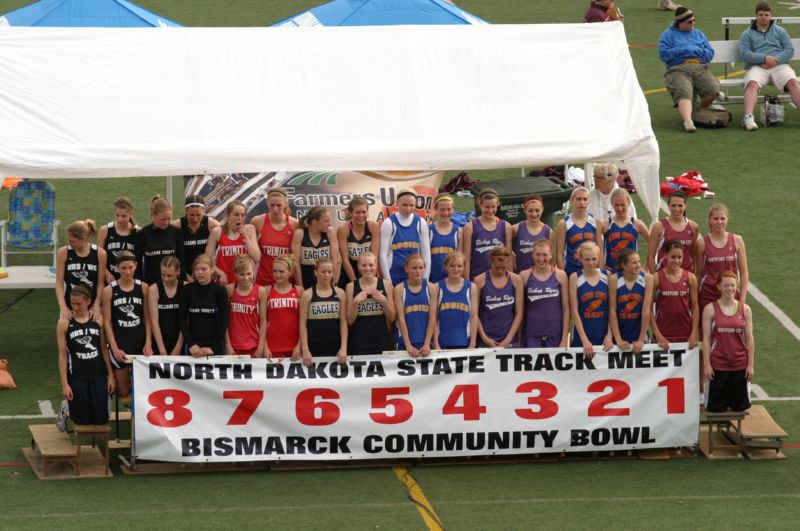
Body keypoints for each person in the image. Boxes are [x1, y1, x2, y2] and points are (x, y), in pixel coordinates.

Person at [57, 285, 115, 426]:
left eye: (79, 304)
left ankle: (71, 407)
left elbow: (103, 348)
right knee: (81, 421)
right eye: (73, 303)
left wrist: (110, 375)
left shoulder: (98, 319)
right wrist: (65, 384)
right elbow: (63, 355)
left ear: (88, 301)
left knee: (100, 420)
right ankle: (66, 409)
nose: (75, 307)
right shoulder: (64, 323)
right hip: (77, 377)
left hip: (98, 376)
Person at [739, 1, 800, 131]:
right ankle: (748, 118)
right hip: (758, 66)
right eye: (761, 14)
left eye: (766, 14)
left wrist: (776, 60)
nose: (763, 17)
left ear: (771, 15)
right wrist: (764, 58)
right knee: (752, 84)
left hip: (780, 66)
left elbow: (789, 50)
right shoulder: (747, 33)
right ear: (756, 16)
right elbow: (745, 54)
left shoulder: (781, 31)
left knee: (793, 83)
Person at [658, 7, 720, 132]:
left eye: (693, 20)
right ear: (680, 23)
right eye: (689, 22)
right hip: (678, 69)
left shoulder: (699, 34)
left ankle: (696, 112)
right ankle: (688, 121)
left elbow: (709, 52)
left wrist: (700, 54)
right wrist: (685, 50)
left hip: (699, 67)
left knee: (714, 89)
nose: (693, 24)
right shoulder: (668, 35)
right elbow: (663, 54)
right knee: (684, 91)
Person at [702, 271, 755, 412]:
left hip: (739, 367)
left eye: (732, 285)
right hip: (718, 368)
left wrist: (750, 365)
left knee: (739, 410)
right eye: (726, 285)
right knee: (715, 410)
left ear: (736, 286)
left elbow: (749, 339)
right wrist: (707, 365)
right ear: (719, 286)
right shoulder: (710, 309)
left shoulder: (745, 310)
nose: (730, 289)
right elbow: (706, 339)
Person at [101, 251, 151, 398]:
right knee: (123, 393)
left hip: (140, 343)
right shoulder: (109, 290)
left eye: (130, 267)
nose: (127, 271)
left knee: (144, 390)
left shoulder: (143, 287)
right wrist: (115, 348)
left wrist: (148, 343)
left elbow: (147, 319)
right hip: (121, 344)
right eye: (123, 268)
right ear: (117, 268)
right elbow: (107, 322)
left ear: (136, 265)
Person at [696, 204, 749, 314]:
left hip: (731, 293)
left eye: (722, 218)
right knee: (706, 329)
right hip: (708, 295)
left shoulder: (737, 240)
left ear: (727, 220)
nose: (719, 222)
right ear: (710, 220)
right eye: (715, 219)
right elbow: (698, 273)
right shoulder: (702, 243)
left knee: (731, 329)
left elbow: (744, 273)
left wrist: (742, 299)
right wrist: (694, 298)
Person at [520, 240, 570, 348]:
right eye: (538, 254)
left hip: (555, 334)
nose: (541, 258)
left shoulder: (561, 275)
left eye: (545, 255)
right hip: (532, 334)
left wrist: (564, 338)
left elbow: (566, 309)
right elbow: (520, 310)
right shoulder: (524, 276)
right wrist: (519, 337)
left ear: (551, 255)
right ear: (532, 254)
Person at [650, 240, 699, 349]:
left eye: (679, 257)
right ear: (665, 255)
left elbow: (695, 307)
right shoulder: (656, 278)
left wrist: (694, 333)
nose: (676, 261)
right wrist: (658, 335)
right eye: (673, 257)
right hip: (663, 335)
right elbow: (647, 309)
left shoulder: (690, 278)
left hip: (686, 335)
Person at [300, 258, 348, 364]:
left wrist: (343, 347)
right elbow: (302, 324)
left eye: (329, 272)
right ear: (316, 272)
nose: (327, 275)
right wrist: (305, 349)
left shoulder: (340, 293)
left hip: (335, 348)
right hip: (313, 348)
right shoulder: (307, 295)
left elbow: (343, 322)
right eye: (323, 272)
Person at [56, 219, 107, 320]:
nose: (68, 243)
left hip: (92, 304)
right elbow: (59, 283)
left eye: (72, 241)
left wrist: (96, 305)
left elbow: (101, 283)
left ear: (83, 238)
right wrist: (63, 307)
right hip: (71, 304)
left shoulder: (100, 254)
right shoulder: (63, 252)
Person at [346, 252, 396, 355]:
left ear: (376, 265)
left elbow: (392, 317)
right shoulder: (351, 287)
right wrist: (355, 302)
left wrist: (384, 300)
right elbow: (350, 321)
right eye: (364, 265)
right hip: (359, 342)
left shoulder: (386, 284)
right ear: (359, 266)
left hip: (381, 341)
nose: (368, 268)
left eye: (371, 265)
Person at [474, 247, 524, 348]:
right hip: (486, 339)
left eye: (504, 267)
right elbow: (474, 313)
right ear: (491, 262)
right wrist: (484, 338)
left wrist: (508, 339)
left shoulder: (516, 280)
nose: (501, 271)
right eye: (497, 268)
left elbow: (519, 313)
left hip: (508, 339)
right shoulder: (479, 280)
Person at [180, 255, 229, 357]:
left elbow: (224, 321)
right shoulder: (187, 290)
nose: (200, 272)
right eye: (197, 269)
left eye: (203, 269)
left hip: (214, 348)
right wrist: (191, 344)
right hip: (193, 348)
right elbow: (181, 318)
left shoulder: (220, 291)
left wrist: (213, 348)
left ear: (212, 270)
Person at [569, 242, 612, 358]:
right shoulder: (574, 277)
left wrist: (610, 334)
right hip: (582, 337)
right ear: (580, 259)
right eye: (587, 259)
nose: (591, 263)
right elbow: (574, 310)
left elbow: (612, 309)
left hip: (604, 337)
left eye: (594, 259)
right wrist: (585, 340)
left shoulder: (607, 275)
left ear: (599, 258)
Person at [379, 189, 431, 285]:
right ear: (397, 204)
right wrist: (387, 280)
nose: (408, 209)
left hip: (415, 277)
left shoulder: (420, 222)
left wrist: (425, 280)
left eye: (411, 205)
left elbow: (426, 254)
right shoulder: (389, 223)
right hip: (394, 276)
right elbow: (383, 254)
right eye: (405, 205)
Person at [205, 201, 260, 286]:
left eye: (243, 215)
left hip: (244, 282)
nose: (240, 218)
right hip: (224, 282)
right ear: (227, 215)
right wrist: (220, 274)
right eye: (236, 214)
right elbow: (206, 260)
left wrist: (245, 236)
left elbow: (257, 258)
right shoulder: (217, 232)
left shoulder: (249, 229)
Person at [609, 249, 653, 353]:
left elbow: (646, 311)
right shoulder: (614, 279)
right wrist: (618, 340)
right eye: (634, 262)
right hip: (620, 335)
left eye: (638, 261)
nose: (638, 265)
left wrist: (641, 340)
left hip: (639, 335)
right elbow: (612, 311)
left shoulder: (647, 278)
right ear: (623, 265)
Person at [394, 254, 438, 357]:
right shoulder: (399, 289)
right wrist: (408, 345)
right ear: (406, 269)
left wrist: (427, 344)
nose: (418, 271)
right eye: (414, 268)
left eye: (421, 268)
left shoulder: (432, 288)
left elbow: (432, 318)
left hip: (425, 342)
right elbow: (400, 318)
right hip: (404, 342)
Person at [251, 188, 297, 287]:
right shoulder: (258, 221)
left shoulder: (294, 224)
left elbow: (297, 258)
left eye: (279, 205)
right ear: (267, 204)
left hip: (286, 283)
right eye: (272, 205)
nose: (275, 209)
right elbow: (250, 253)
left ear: (285, 204)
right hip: (263, 281)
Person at [134, 195, 185, 286]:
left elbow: (181, 261)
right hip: (149, 284)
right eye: (163, 219)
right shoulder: (142, 234)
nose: (166, 222)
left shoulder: (176, 233)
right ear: (153, 214)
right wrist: (140, 285)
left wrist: (182, 283)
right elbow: (137, 264)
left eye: (169, 219)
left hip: (172, 285)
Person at [463, 188, 512, 279]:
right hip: (477, 278)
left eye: (493, 207)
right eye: (487, 207)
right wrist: (467, 282)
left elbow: (509, 257)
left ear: (497, 205)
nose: (490, 210)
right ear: (480, 205)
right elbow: (466, 257)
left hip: (499, 278)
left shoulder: (505, 226)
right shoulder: (470, 227)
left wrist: (510, 279)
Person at [434, 252, 478, 350]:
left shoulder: (471, 287)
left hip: (464, 343)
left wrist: (472, 344)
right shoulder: (437, 287)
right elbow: (434, 317)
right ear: (446, 267)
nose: (456, 269)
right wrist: (436, 344)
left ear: (464, 268)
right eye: (452, 266)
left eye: (459, 266)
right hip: (442, 344)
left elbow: (474, 317)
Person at [647, 190, 699, 273]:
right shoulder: (659, 227)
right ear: (668, 206)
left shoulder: (693, 227)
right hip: (664, 277)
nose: (677, 209)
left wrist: (694, 276)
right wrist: (655, 279)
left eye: (680, 205)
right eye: (673, 205)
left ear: (685, 206)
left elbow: (693, 255)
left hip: (686, 277)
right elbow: (650, 256)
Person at [226, 255, 267, 357]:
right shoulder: (230, 290)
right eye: (242, 274)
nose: (246, 278)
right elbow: (224, 320)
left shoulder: (260, 291)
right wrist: (228, 345)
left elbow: (263, 321)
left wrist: (261, 347)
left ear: (253, 272)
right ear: (235, 274)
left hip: (253, 345)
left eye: (249, 274)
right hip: (234, 346)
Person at [601, 188, 650, 273]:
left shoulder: (637, 224)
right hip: (610, 273)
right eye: (617, 205)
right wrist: (601, 264)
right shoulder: (605, 225)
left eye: (623, 205)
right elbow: (595, 246)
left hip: (632, 273)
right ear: (612, 204)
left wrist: (646, 267)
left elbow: (654, 245)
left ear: (629, 203)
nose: (620, 208)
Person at [556, 187, 602, 276]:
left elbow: (600, 249)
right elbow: (559, 254)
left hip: (591, 270)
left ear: (589, 201)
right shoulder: (564, 223)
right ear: (572, 200)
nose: (582, 202)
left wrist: (600, 271)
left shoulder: (595, 221)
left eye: (585, 199)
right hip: (571, 270)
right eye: (578, 199)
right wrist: (563, 275)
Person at [264, 254, 302, 359]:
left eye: (281, 272)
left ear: (290, 272)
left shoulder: (299, 291)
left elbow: (304, 322)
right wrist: (265, 346)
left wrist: (299, 346)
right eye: (274, 271)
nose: (277, 275)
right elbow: (261, 321)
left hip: (294, 349)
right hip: (272, 349)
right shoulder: (266, 291)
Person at [337, 196, 380, 289]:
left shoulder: (373, 227)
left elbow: (374, 258)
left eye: (364, 212)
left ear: (367, 212)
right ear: (350, 213)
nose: (361, 215)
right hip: (349, 274)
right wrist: (356, 284)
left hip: (369, 272)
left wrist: (369, 280)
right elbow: (345, 260)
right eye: (357, 212)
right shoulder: (343, 229)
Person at [172, 194, 219, 279]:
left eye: (198, 215)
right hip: (185, 274)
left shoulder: (211, 225)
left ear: (203, 211)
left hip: (206, 274)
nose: (195, 219)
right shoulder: (177, 226)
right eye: (191, 215)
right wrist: (186, 276)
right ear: (186, 211)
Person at [292, 206, 339, 290]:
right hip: (306, 282)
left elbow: (335, 260)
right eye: (326, 221)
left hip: (326, 283)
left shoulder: (330, 232)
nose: (329, 224)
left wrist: (332, 283)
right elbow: (296, 262)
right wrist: (300, 286)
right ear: (314, 222)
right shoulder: (300, 233)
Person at [147, 256, 184, 356]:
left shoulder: (185, 287)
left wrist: (178, 347)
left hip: (181, 340)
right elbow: (154, 322)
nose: (166, 279)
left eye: (169, 275)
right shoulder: (153, 289)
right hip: (159, 340)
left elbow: (186, 320)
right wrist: (161, 348)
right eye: (163, 275)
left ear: (178, 272)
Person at [97, 197, 138, 283]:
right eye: (117, 215)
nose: (120, 219)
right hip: (109, 278)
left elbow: (139, 259)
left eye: (124, 216)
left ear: (131, 214)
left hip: (130, 278)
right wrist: (106, 273)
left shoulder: (138, 232)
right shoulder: (105, 230)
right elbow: (98, 256)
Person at [513, 194, 553, 272]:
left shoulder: (548, 231)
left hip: (541, 275)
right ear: (524, 210)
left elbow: (551, 256)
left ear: (542, 210)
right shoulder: (516, 228)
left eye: (537, 210)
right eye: (530, 211)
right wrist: (512, 255)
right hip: (521, 274)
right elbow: (502, 241)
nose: (534, 214)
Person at [428, 194, 461, 284]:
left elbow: (460, 259)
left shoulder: (459, 231)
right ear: (436, 210)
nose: (446, 213)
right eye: (442, 210)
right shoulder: (428, 230)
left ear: (453, 209)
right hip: (431, 280)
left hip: (451, 281)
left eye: (449, 209)